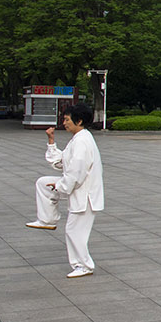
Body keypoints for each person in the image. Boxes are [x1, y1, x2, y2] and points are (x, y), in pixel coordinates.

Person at [27, 104, 104, 278]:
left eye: (67, 119)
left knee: (75, 231)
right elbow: (63, 163)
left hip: (85, 195)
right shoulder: (77, 139)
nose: (64, 123)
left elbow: (76, 172)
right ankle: (47, 219)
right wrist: (51, 141)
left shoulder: (83, 141)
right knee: (43, 183)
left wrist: (60, 186)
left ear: (79, 121)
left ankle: (84, 265)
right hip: (76, 189)